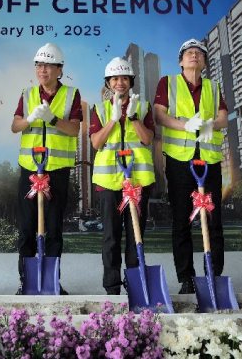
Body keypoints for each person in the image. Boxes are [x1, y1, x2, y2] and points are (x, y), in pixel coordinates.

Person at [153, 38, 228, 295]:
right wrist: (185, 125)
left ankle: (213, 274)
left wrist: (209, 126)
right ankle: (187, 278)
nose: (194, 56)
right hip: (179, 160)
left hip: (208, 159)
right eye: (188, 53)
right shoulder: (168, 83)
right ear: (180, 60)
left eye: (198, 53)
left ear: (205, 61)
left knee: (213, 219)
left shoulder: (213, 86)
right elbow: (159, 114)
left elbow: (222, 117)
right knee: (181, 220)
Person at [11, 43, 82, 295]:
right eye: (39, 65)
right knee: (27, 228)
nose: (43, 70)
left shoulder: (72, 95)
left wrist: (52, 118)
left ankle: (52, 281)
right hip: (30, 169)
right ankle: (26, 281)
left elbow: (75, 129)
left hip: (57, 170)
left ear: (59, 69)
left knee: (53, 229)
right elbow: (15, 126)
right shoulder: (27, 93)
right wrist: (30, 119)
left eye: (48, 65)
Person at [90, 57, 155, 295]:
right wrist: (113, 119)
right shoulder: (99, 109)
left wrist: (134, 117)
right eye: (115, 78)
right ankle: (112, 287)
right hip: (109, 182)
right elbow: (96, 143)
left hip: (137, 180)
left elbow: (147, 139)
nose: (120, 83)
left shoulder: (143, 106)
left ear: (131, 82)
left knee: (135, 235)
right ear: (108, 82)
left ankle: (136, 286)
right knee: (111, 236)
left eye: (124, 78)